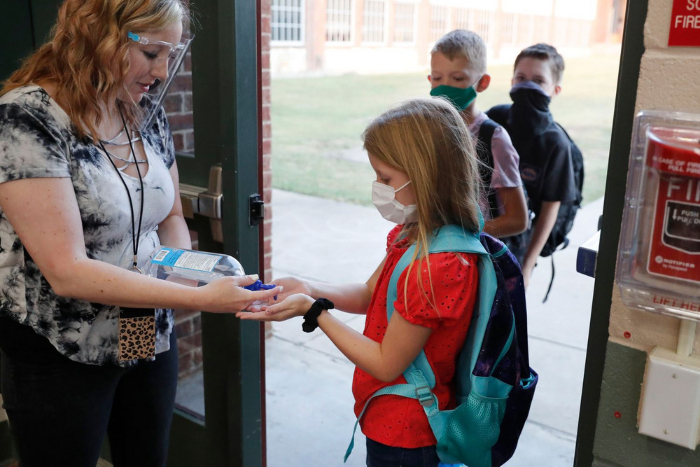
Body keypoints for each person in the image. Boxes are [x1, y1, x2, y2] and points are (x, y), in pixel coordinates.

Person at [0, 1, 279, 466]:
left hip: (141, 324)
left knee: (144, 451)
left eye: (171, 53)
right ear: (97, 36)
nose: (162, 70)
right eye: (152, 52)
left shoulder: (141, 111)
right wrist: (201, 299)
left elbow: (170, 217)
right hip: (59, 345)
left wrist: (188, 272)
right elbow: (67, 272)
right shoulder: (25, 120)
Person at [239, 98, 482, 467]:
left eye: (386, 178)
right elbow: (371, 294)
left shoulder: (439, 266)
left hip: (407, 434)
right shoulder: (414, 235)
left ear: (427, 173)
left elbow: (386, 364)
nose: (378, 187)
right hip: (385, 415)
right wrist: (309, 288)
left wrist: (314, 311)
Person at [487, 43, 577, 287]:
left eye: (538, 81)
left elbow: (550, 209)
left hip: (516, 244)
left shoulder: (555, 144)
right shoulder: (495, 118)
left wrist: (527, 265)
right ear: (512, 81)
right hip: (481, 229)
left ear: (555, 90)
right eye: (521, 78)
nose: (527, 86)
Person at [428, 29, 528, 240]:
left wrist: (460, 236)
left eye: (457, 78)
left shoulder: (494, 139)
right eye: (437, 78)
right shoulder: (428, 130)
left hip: (477, 255)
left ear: (482, 83)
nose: (445, 86)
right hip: (435, 252)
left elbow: (518, 220)